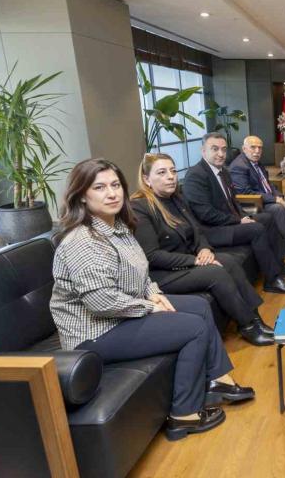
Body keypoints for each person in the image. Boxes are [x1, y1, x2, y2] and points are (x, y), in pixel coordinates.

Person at [50, 158, 254, 441]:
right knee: (193, 328)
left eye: (115, 185)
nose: (111, 193)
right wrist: (149, 306)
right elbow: (101, 302)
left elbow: (141, 271)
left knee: (199, 305)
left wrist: (153, 293)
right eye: (99, 187)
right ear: (82, 195)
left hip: (123, 312)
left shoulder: (118, 227)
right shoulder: (83, 241)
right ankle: (184, 414)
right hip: (95, 333)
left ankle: (217, 379)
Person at [131, 153, 274, 346]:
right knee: (216, 273)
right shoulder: (139, 207)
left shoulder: (176, 199)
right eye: (162, 173)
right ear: (147, 179)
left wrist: (204, 249)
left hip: (187, 259)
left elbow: (197, 230)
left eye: (173, 171)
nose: (170, 177)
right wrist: (195, 260)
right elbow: (152, 256)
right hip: (162, 273)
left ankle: (255, 318)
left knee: (229, 261)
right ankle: (247, 325)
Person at [183, 132, 285, 293]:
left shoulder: (223, 172)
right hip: (211, 230)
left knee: (268, 218)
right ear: (203, 151)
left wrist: (244, 216)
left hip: (228, 221)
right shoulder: (195, 175)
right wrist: (238, 220)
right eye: (215, 149)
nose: (221, 154)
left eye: (224, 149)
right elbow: (205, 214)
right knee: (256, 229)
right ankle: (272, 280)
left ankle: (280, 265)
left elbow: (234, 201)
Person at [229, 135, 285, 258]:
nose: (257, 151)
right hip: (252, 204)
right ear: (244, 148)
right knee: (278, 208)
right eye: (253, 147)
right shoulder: (239, 166)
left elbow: (267, 184)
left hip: (264, 198)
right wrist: (274, 199)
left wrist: (279, 196)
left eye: (260, 148)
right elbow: (245, 193)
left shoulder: (256, 162)